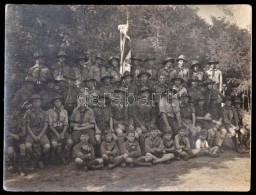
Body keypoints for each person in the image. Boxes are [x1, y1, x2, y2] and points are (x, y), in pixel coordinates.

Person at [24, 94, 51, 169]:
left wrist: (39, 136)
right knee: (28, 146)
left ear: (41, 102)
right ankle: (33, 160)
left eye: (38, 101)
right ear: (32, 103)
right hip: (31, 132)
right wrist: (33, 136)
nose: (36, 103)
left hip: (41, 132)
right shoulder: (28, 112)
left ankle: (39, 159)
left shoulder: (44, 112)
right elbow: (28, 126)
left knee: (47, 146)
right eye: (35, 102)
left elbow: (45, 125)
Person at [47, 94, 73, 164]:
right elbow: (50, 125)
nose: (57, 103)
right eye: (55, 102)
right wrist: (57, 134)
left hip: (63, 131)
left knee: (70, 142)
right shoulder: (49, 112)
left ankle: (65, 155)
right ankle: (58, 157)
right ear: (53, 103)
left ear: (61, 102)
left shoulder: (64, 111)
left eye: (59, 101)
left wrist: (63, 133)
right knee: (55, 145)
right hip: (54, 131)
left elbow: (66, 124)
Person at [132, 87, 157, 155]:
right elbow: (135, 116)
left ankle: (154, 150)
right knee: (140, 134)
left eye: (147, 93)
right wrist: (141, 125)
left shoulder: (152, 103)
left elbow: (154, 115)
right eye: (143, 93)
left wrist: (152, 124)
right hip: (139, 124)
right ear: (140, 94)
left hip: (149, 123)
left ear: (149, 94)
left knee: (156, 133)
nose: (145, 94)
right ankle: (143, 151)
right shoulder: (136, 104)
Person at [110, 87, 133, 153]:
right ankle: (121, 151)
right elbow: (111, 117)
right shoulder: (112, 105)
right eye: (119, 94)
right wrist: (117, 124)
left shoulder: (127, 104)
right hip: (117, 124)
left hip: (126, 123)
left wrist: (131, 124)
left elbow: (130, 116)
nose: (120, 96)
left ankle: (131, 150)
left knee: (134, 134)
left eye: (122, 94)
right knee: (120, 132)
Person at [5, 106, 27, 176]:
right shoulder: (7, 119)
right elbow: (5, 131)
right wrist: (13, 135)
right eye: (14, 110)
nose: (16, 112)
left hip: (19, 138)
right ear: (11, 111)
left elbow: (24, 131)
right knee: (10, 152)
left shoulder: (22, 119)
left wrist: (18, 136)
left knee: (23, 148)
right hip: (10, 139)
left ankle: (22, 168)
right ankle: (14, 166)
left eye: (17, 110)